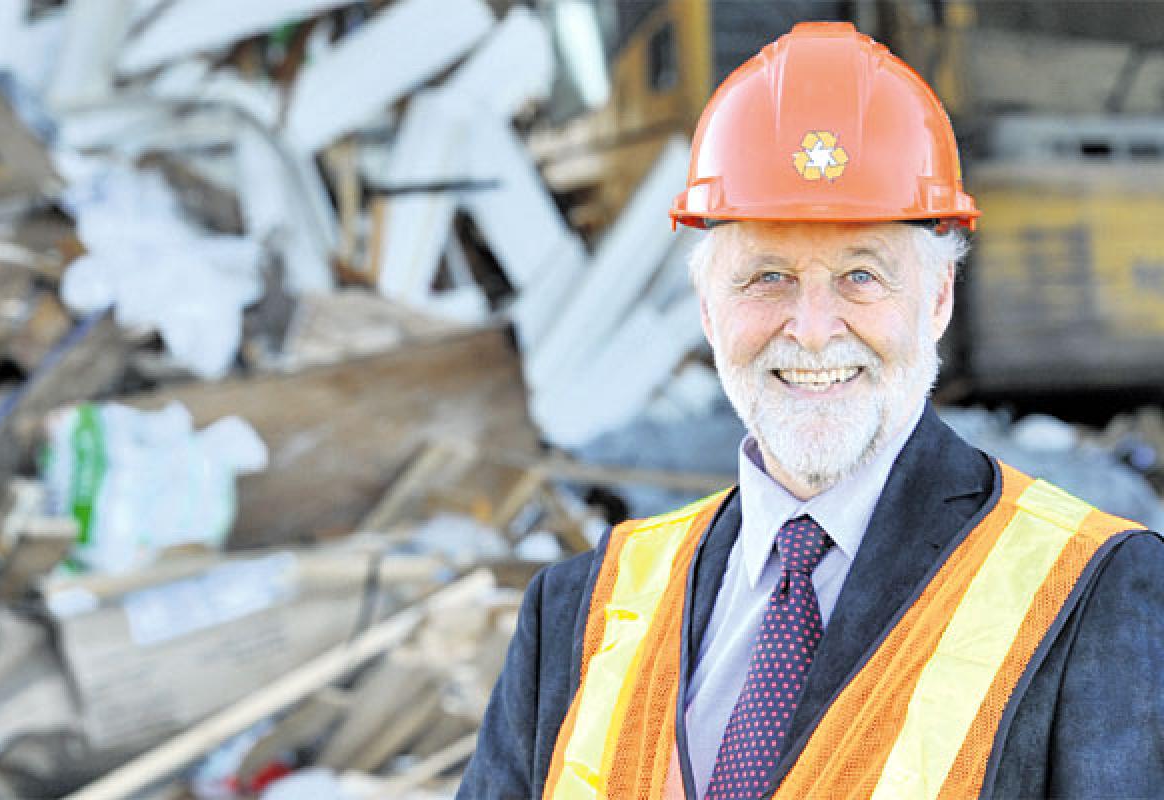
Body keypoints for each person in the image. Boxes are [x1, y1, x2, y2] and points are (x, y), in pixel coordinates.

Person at [459, 21, 1164, 800]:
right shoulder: (576, 618)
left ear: (936, 299)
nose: (814, 327)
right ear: (705, 305)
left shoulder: (1092, 594)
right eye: (767, 276)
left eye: (861, 275)